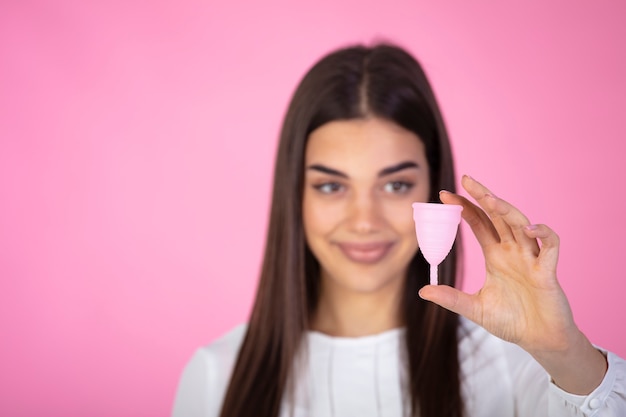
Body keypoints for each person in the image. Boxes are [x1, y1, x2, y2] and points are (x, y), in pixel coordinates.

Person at [171, 43, 626, 417]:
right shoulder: (216, 375)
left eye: (395, 184)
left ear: (432, 186)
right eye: (331, 185)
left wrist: (564, 351)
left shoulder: (520, 365)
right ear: (295, 196)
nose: (365, 220)